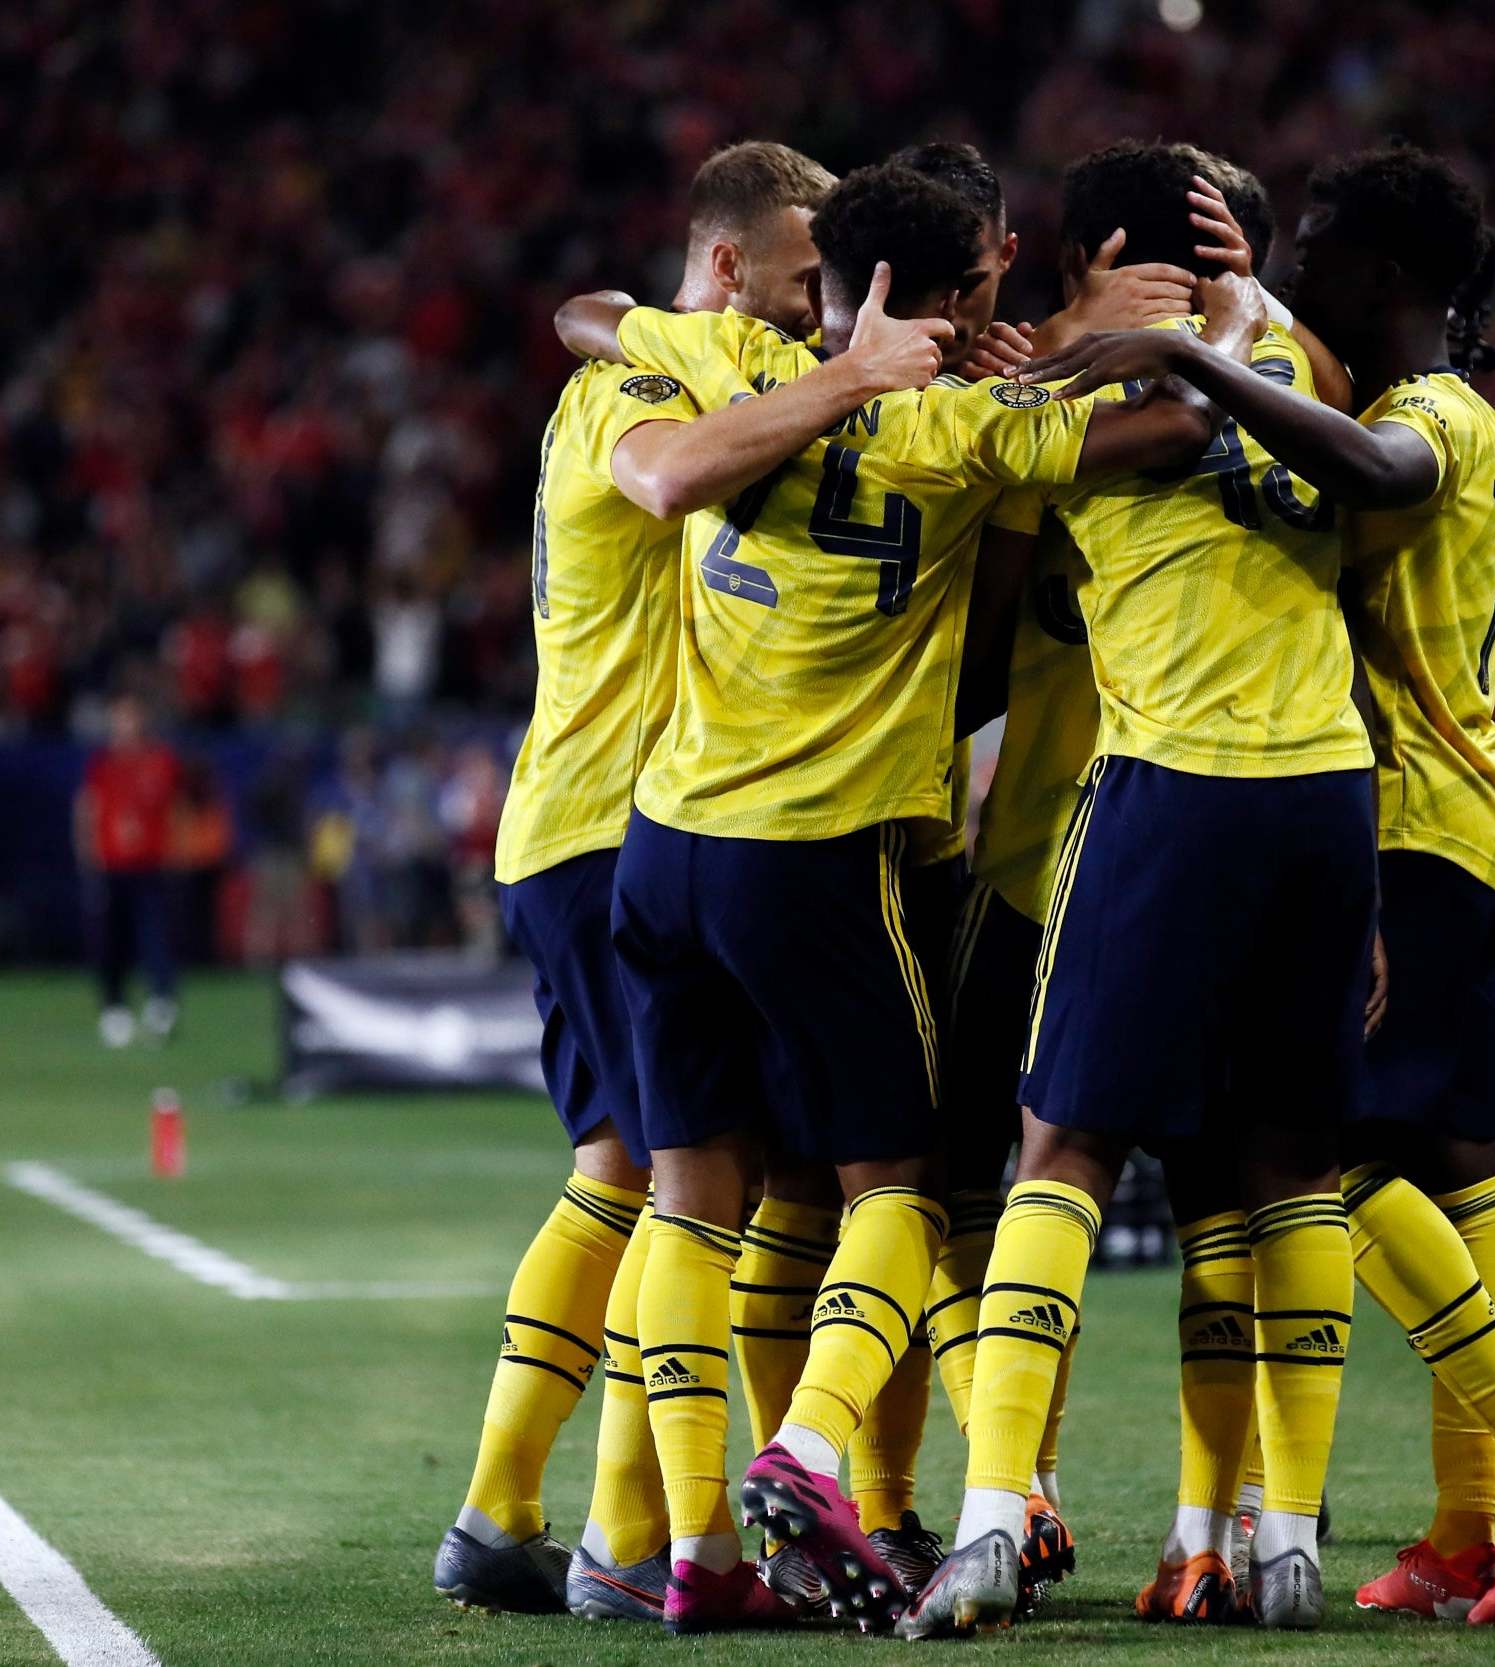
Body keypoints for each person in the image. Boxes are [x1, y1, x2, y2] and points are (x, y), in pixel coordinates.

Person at [562, 157, 1254, 1633]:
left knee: (691, 1198)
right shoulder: (958, 433)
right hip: (816, 852)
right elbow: (1178, 430)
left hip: (662, 842)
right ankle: (812, 1446)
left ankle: (697, 1553)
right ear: (952, 299)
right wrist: (1118, 338)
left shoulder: (721, 355)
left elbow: (591, 316)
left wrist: (845, 356)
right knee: (905, 1179)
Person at [1019, 142, 1495, 1628]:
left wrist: (1174, 346)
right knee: (1454, 1170)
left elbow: (1359, 476)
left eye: (1307, 243)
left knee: (1320, 1167)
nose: (1288, 265)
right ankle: (1466, 1520)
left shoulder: (1418, 418)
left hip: (1415, 832)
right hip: (1458, 833)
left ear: (1380, 275)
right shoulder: (1414, 413)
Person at [433, 138, 959, 1624]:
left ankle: (611, 1524)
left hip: (630, 821)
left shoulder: (661, 357)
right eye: (801, 282)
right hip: (612, 820)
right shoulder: (655, 390)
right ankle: (556, 1516)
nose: (816, 314)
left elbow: (587, 304)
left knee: (696, 1172)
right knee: (636, 1169)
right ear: (725, 269)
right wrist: (862, 375)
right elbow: (648, 424)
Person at [905, 139, 1376, 1635]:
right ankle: (1278, 1536)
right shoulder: (1310, 364)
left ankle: (989, 1516)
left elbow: (1080, 433)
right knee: (1283, 1169)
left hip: (1168, 786)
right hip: (1324, 786)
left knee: (1064, 1147)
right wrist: (1220, 324)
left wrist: (1072, 341)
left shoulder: (1073, 381)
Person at [75, 693, 182, 1046]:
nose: (122, 728)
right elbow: (88, 810)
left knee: (155, 935)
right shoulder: (102, 765)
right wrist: (89, 856)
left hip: (150, 865)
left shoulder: (160, 761)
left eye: (129, 719)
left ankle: (161, 1004)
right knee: (110, 940)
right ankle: (114, 1008)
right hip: (111, 866)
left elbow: (173, 808)